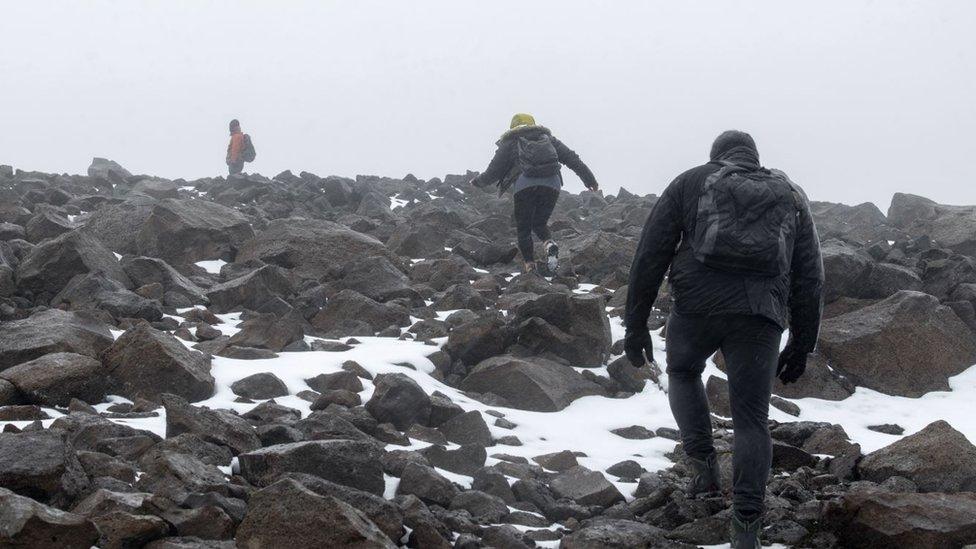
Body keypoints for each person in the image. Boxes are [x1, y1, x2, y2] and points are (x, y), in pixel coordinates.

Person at [623, 130, 823, 548]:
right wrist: (803, 341)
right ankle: (746, 528)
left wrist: (635, 324)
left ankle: (703, 471)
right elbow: (809, 274)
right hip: (760, 315)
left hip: (696, 307)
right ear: (754, 157)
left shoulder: (692, 181)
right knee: (751, 418)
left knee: (682, 371)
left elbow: (651, 253)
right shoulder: (790, 194)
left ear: (716, 157)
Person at [470, 113, 599, 274]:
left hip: (525, 184)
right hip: (552, 184)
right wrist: (590, 180)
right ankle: (549, 243)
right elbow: (572, 159)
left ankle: (530, 266)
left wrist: (477, 182)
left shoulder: (511, 141)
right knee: (538, 223)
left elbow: (493, 171)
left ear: (513, 127)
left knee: (524, 227)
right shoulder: (548, 139)